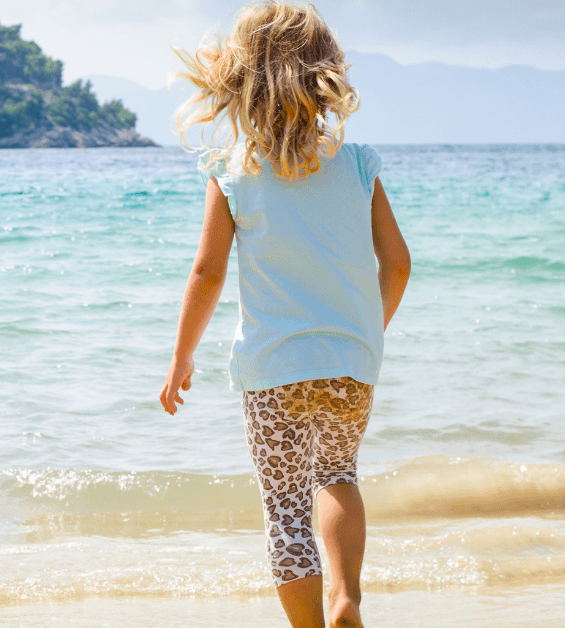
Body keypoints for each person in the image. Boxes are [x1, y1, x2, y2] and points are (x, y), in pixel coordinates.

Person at [159, 3, 410, 627]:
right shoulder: (357, 163)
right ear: (325, 72)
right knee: (338, 474)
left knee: (286, 506)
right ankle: (346, 598)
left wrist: (182, 356)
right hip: (351, 364)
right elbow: (398, 264)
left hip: (273, 370)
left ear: (241, 78)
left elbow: (208, 272)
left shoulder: (233, 170)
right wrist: (365, 332)